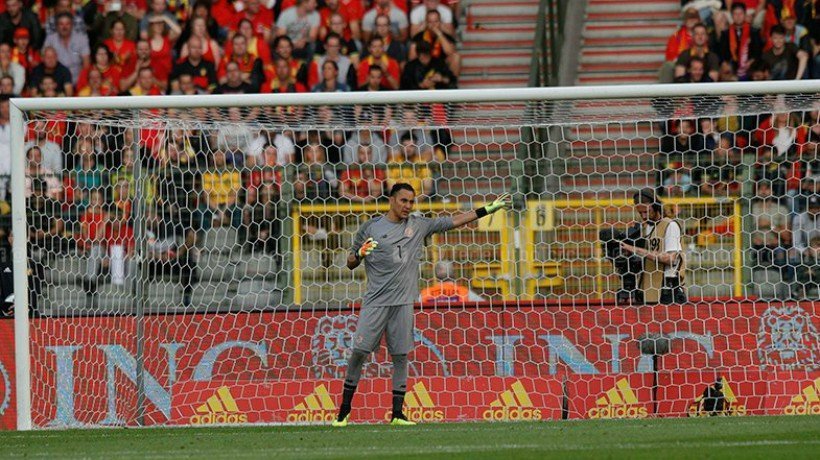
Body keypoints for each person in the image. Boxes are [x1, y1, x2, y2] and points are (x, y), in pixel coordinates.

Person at [332, 183, 510, 427]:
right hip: (375, 303)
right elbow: (350, 262)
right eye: (403, 201)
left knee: (401, 356)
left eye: (411, 202)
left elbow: (453, 221)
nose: (407, 206)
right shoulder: (371, 227)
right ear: (392, 200)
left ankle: (397, 414)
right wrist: (359, 254)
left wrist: (487, 210)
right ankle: (344, 411)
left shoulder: (418, 225)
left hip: (403, 303)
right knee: (359, 353)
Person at [619, 189, 687, 304]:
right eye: (640, 213)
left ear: (655, 206)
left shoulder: (670, 225)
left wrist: (635, 249)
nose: (643, 216)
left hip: (668, 291)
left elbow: (670, 259)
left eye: (646, 211)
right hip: (647, 291)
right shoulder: (644, 228)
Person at [419, 260, 485, 303]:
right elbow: (484, 305)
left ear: (435, 275)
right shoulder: (464, 292)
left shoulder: (424, 294)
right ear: (453, 273)